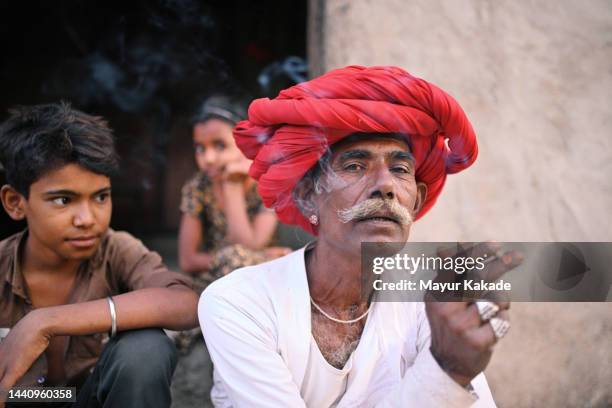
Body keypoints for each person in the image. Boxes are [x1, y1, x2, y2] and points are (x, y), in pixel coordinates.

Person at [198, 66, 522, 407]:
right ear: (308, 196)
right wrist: (446, 372)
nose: (385, 186)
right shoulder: (239, 302)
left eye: (400, 169)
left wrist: (452, 369)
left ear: (417, 201)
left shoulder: (430, 303)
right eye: (355, 166)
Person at [0, 102, 199, 408]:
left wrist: (45, 321)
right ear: (15, 202)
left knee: (145, 347)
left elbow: (185, 302)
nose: (87, 219)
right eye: (64, 200)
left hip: (91, 401)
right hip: (18, 401)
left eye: (101, 197)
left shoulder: (116, 250)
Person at [178, 95, 290, 290]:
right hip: (218, 277)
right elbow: (188, 260)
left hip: (262, 277)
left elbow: (251, 245)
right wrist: (259, 257)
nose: (209, 158)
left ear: (246, 142)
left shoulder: (268, 183)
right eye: (200, 148)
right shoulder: (198, 187)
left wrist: (233, 187)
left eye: (220, 146)